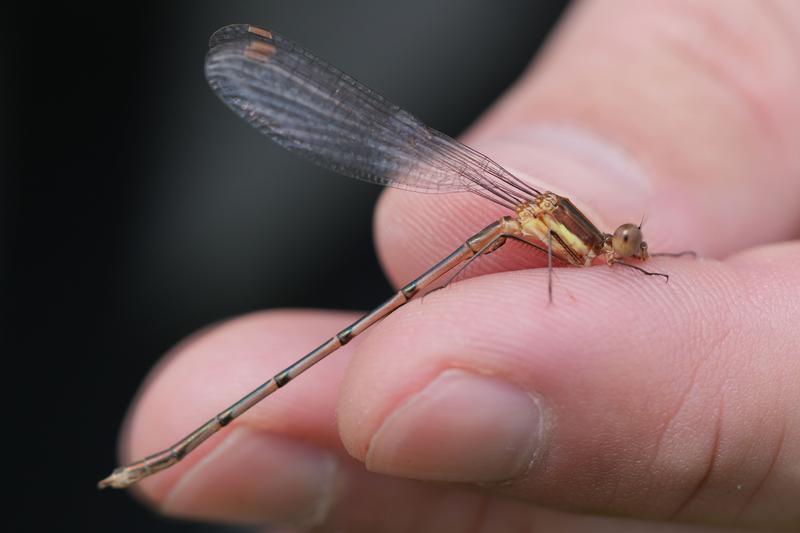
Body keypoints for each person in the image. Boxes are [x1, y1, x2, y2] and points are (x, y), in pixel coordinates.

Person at [118, 1, 800, 530]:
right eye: (625, 242)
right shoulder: (567, 232)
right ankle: (168, 454)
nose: (626, 249)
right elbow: (560, 269)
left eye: (627, 244)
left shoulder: (588, 241)